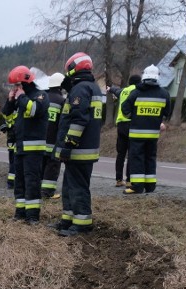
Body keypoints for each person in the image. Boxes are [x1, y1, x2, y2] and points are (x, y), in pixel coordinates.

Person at [52, 52, 105, 237]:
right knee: (69, 185)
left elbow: (78, 120)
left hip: (78, 149)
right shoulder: (92, 88)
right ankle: (68, 220)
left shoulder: (81, 89)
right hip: (84, 148)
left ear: (73, 69)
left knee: (78, 187)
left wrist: (68, 144)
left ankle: (82, 223)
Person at [121, 65, 172, 194]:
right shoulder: (164, 93)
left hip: (137, 134)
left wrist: (134, 116)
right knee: (150, 158)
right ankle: (150, 185)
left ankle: (137, 186)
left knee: (137, 158)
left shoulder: (136, 93)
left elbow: (125, 108)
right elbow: (167, 112)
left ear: (144, 77)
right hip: (153, 134)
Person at [8, 65, 49, 224]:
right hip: (20, 148)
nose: (15, 88)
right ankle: (20, 213)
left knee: (32, 182)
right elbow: (6, 112)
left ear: (25, 83)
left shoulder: (41, 96)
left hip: (34, 148)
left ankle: (32, 216)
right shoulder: (20, 98)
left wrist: (21, 97)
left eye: (17, 85)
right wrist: (11, 100)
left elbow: (34, 110)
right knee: (19, 182)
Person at [107, 74, 141, 188]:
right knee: (131, 153)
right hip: (131, 123)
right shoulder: (138, 91)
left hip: (120, 125)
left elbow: (116, 90)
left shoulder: (124, 91)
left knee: (121, 153)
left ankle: (118, 179)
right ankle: (129, 180)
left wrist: (110, 88)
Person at [41, 72, 66, 200]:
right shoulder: (62, 101)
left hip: (40, 141)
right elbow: (63, 123)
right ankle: (48, 191)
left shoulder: (41, 98)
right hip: (54, 141)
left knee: (41, 165)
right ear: (61, 86)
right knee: (53, 166)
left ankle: (39, 189)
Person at [0, 86, 19, 191]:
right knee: (14, 161)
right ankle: (12, 183)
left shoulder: (10, 105)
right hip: (14, 138)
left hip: (12, 138)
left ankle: (11, 183)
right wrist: (4, 125)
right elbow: (6, 117)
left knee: (13, 162)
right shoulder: (14, 105)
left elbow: (6, 116)